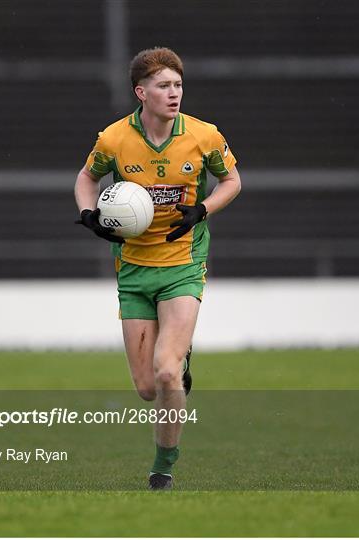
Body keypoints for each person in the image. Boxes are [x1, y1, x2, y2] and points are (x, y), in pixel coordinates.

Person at [74, 47, 241, 490]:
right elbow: (86, 178)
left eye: (178, 85)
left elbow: (233, 181)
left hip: (183, 263)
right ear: (141, 92)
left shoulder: (204, 136)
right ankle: (176, 365)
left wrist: (201, 210)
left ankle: (163, 467)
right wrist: (90, 215)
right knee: (149, 388)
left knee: (168, 372)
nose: (174, 94)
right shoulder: (113, 139)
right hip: (133, 269)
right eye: (164, 86)